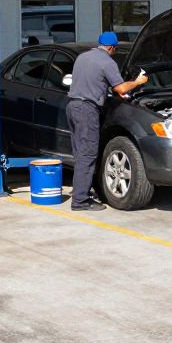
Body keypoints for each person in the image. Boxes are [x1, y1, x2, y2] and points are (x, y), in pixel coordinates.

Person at [66, 32, 148, 211]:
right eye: (115, 48)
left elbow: (93, 81)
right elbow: (121, 87)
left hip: (72, 107)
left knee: (81, 153)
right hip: (87, 109)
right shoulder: (107, 62)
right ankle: (80, 201)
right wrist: (138, 81)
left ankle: (80, 192)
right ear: (111, 47)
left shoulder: (83, 57)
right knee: (88, 154)